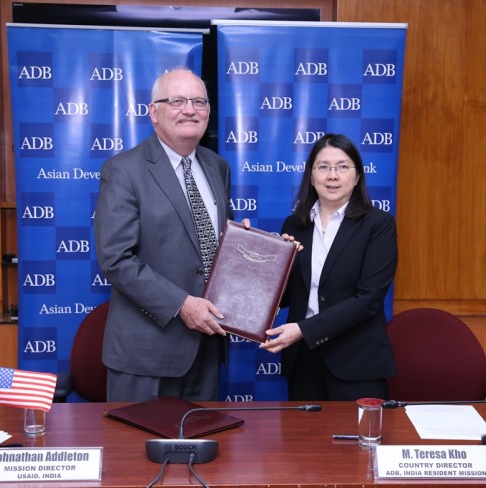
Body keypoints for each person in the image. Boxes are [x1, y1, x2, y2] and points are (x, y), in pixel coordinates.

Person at [94, 68, 233, 402]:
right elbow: (116, 259)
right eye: (177, 101)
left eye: (199, 101)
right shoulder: (124, 170)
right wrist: (181, 304)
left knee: (201, 448)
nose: (190, 109)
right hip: (146, 354)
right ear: (153, 112)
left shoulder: (217, 166)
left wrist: (254, 251)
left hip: (206, 348)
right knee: (135, 452)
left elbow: (210, 245)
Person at [260, 133, 398, 401]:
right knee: (302, 443)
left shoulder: (378, 225)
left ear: (357, 176)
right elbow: (285, 297)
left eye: (342, 167)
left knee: (358, 444)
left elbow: (368, 299)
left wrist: (304, 330)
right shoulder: (294, 225)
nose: (332, 176)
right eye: (323, 167)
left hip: (356, 364)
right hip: (303, 362)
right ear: (311, 176)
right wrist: (275, 261)